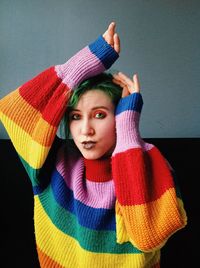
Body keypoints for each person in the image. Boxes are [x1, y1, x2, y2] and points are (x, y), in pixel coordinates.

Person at [0, 22, 187, 268]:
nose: (85, 129)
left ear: (120, 116)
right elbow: (12, 110)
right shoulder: (53, 164)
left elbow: (147, 237)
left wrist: (128, 128)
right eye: (76, 117)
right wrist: (86, 62)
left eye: (100, 115)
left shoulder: (150, 162)